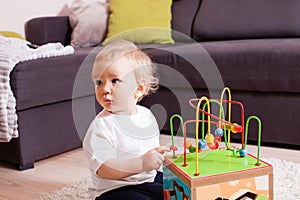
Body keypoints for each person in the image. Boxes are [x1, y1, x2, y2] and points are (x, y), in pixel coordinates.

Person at [83, 40, 169, 200]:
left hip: (147, 180)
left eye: (114, 80)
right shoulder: (101, 126)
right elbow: (104, 168)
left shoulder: (146, 116)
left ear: (139, 89)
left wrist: (154, 155)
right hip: (116, 189)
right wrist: (142, 163)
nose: (105, 89)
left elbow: (144, 149)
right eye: (99, 82)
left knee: (177, 190)